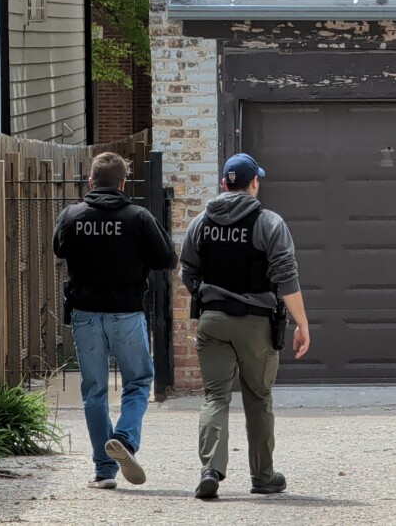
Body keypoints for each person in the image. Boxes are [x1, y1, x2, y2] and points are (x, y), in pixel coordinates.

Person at [179, 152, 311, 499]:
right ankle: (263, 477)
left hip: (213, 321)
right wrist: (301, 322)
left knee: (215, 397)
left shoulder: (200, 223)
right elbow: (286, 277)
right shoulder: (269, 223)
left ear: (224, 183)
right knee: (258, 397)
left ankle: (211, 470)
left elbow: (187, 272)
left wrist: (207, 295)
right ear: (254, 183)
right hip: (255, 324)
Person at [53, 152, 177, 488]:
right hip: (126, 313)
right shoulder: (138, 217)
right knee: (137, 382)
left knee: (94, 391)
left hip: (85, 315)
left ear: (91, 181)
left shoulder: (71, 216)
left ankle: (104, 471)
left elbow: (58, 250)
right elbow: (167, 258)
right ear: (123, 183)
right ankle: (124, 436)